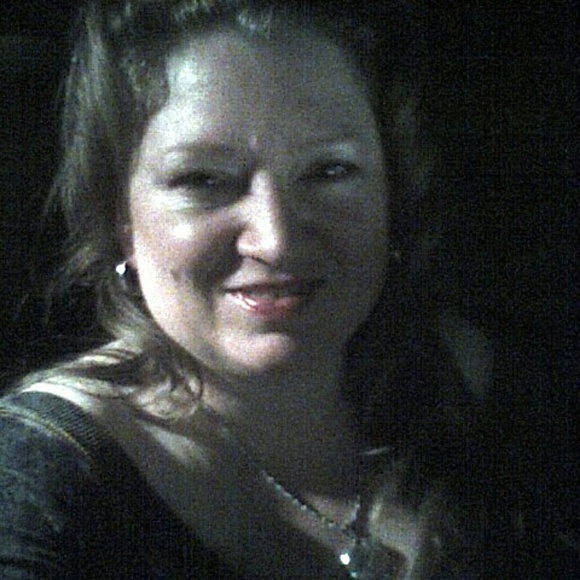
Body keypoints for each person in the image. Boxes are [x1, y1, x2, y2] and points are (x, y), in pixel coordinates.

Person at [0, 1, 575, 578]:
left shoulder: (488, 390)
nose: (276, 242)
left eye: (329, 171)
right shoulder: (38, 478)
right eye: (203, 180)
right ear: (122, 223)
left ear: (393, 196)